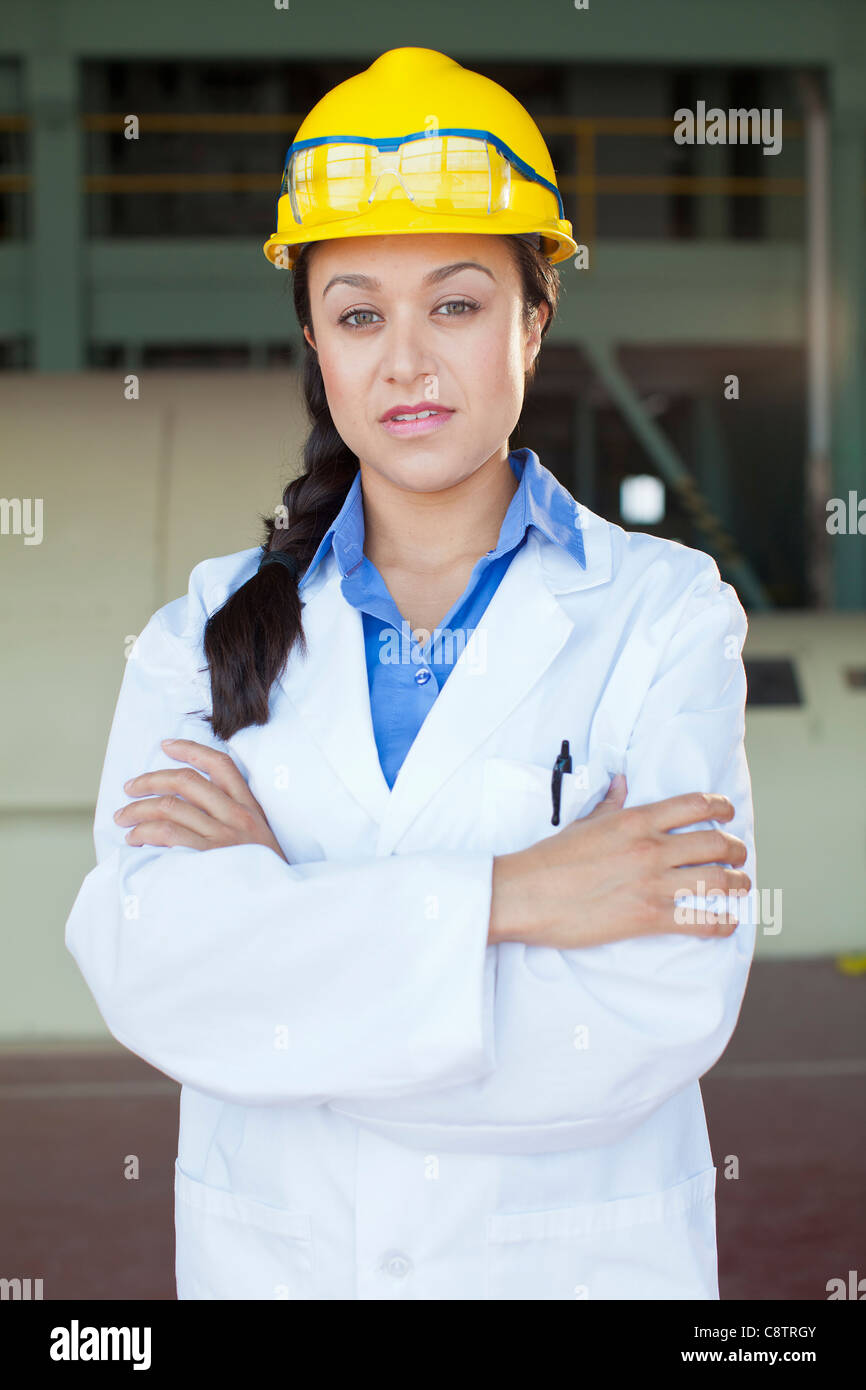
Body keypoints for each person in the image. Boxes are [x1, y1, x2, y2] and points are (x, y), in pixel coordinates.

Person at [65, 47, 757, 1301]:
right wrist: (515, 896)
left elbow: (655, 1012)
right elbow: (152, 970)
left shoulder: (662, 615)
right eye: (358, 313)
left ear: (532, 322)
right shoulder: (202, 631)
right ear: (317, 346)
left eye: (455, 304)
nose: (405, 362)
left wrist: (284, 941)